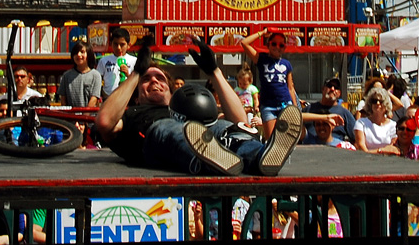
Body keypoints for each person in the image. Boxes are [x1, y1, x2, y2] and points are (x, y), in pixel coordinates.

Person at [94, 37, 301, 176]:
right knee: (172, 129)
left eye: (160, 78)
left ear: (170, 92)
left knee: (227, 129)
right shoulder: (133, 114)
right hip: (159, 143)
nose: (155, 81)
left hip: (203, 133)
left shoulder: (180, 106)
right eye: (147, 80)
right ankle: (207, 160)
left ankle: (259, 156)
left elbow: (240, 120)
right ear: (137, 96)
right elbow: (104, 122)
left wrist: (214, 71)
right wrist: (137, 73)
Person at [241, 29, 299, 139]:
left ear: (284, 48)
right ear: (268, 45)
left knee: (286, 139)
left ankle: (287, 157)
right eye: (274, 44)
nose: (277, 47)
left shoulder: (287, 64)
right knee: (271, 140)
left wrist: (295, 109)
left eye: (281, 45)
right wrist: (262, 33)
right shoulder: (261, 58)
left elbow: (290, 88)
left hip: (285, 104)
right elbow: (244, 43)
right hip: (268, 106)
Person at [301, 76, 356, 146]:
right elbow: (296, 121)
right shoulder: (309, 109)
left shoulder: (345, 113)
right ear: (323, 89)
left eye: (336, 88)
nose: (332, 89)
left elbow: (356, 138)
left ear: (339, 93)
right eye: (329, 86)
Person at [354, 88, 400, 156]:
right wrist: (381, 150)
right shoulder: (361, 123)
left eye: (381, 101)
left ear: (386, 104)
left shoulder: (393, 125)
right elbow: (362, 149)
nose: (378, 103)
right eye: (374, 101)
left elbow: (392, 149)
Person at [58, 40, 103, 108]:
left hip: (89, 116)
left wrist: (85, 114)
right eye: (76, 53)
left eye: (82, 52)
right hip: (71, 116)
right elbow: (63, 98)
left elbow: (94, 98)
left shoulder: (95, 75)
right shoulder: (66, 76)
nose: (79, 55)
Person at [96, 28, 137, 99]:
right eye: (115, 44)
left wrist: (128, 74)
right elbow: (97, 79)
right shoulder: (104, 60)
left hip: (127, 98)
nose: (118, 48)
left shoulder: (134, 61)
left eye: (122, 45)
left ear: (129, 45)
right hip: (108, 97)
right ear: (111, 44)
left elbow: (138, 81)